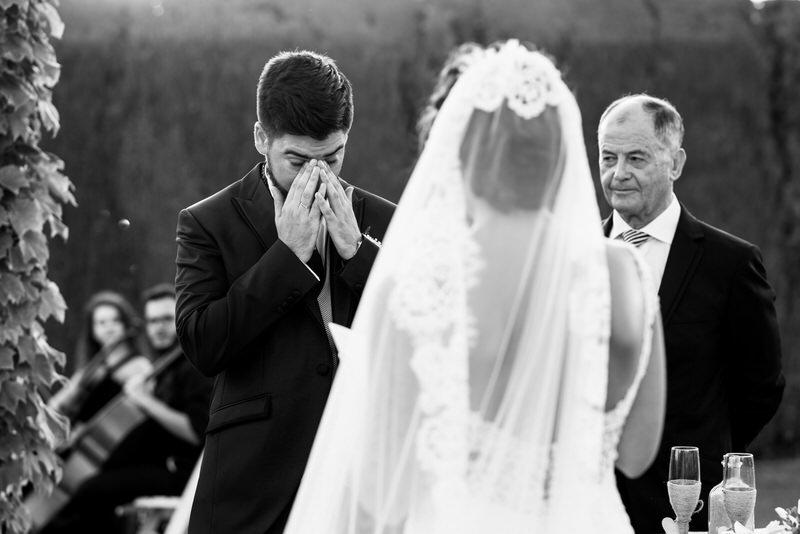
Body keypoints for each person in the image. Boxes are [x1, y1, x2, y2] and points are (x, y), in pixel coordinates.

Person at [284, 40, 666, 534]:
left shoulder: (423, 284)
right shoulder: (626, 272)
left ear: (459, 153)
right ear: (559, 153)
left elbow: (380, 494)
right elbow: (636, 455)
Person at [174, 50, 395, 533]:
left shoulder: (385, 219)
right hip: (253, 481)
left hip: (362, 474)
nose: (318, 175)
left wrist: (358, 253)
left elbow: (416, 332)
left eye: (332, 158)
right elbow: (203, 344)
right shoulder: (207, 222)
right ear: (261, 138)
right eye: (298, 160)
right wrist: (287, 257)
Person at [598, 94, 785, 533]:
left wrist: (702, 447)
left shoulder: (731, 264)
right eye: (608, 157)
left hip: (688, 502)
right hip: (592, 503)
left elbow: (762, 386)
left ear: (676, 163)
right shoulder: (572, 259)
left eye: (636, 158)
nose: (618, 173)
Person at [41, 284, 212, 534]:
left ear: (182, 319)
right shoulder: (166, 365)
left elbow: (196, 433)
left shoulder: (195, 368)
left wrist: (144, 401)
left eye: (167, 319)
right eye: (152, 321)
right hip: (157, 465)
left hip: (181, 472)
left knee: (91, 491)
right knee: (90, 489)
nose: (159, 328)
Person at [49, 290, 151, 425]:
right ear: (92, 330)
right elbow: (56, 405)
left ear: (126, 324)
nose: (109, 327)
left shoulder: (139, 365)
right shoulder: (92, 366)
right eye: (102, 323)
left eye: (116, 320)